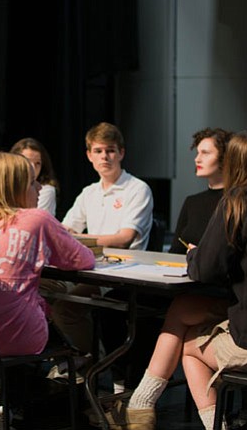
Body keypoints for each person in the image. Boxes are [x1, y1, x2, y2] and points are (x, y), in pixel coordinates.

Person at [102, 129, 247, 430]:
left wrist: (196, 253)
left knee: (189, 347)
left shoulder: (239, 202)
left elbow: (204, 270)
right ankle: (141, 405)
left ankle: (199, 422)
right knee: (183, 308)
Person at [101, 127, 234, 393]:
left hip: (212, 287)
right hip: (182, 281)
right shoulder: (192, 201)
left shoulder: (236, 202)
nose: (197, 158)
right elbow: (174, 251)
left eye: (205, 153)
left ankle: (137, 387)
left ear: (225, 159)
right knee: (111, 303)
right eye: (197, 153)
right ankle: (121, 383)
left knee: (144, 314)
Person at [0, 152, 96, 357]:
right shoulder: (37, 219)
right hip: (17, 339)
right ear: (14, 188)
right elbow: (85, 260)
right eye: (32, 183)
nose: (40, 188)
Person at [52, 122, 154, 354]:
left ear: (121, 153)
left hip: (124, 276)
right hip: (91, 270)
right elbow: (65, 230)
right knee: (43, 295)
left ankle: (95, 362)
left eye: (110, 150)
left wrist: (81, 238)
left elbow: (124, 238)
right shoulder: (89, 192)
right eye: (98, 151)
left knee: (65, 309)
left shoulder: (137, 189)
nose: (104, 157)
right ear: (89, 155)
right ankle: (80, 359)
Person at [10, 137, 60, 216]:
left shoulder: (45, 191)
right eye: (27, 162)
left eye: (38, 163)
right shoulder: (6, 187)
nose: (32, 168)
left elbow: (36, 221)